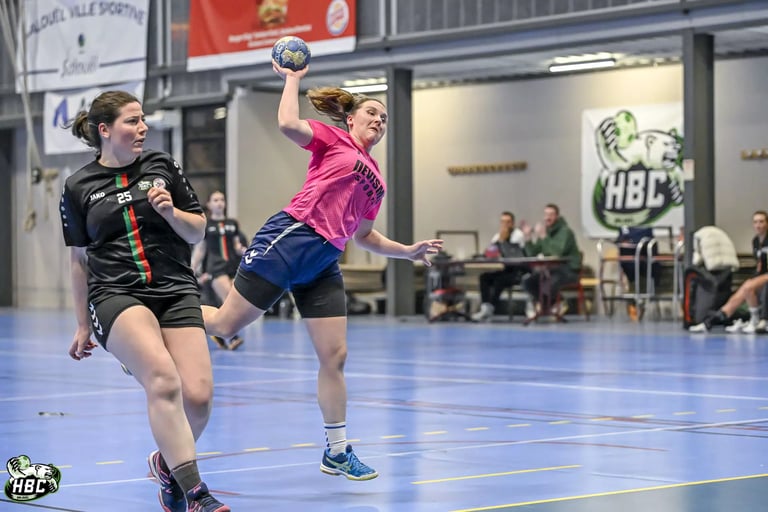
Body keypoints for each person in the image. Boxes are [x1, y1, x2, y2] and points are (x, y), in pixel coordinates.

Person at [203, 60, 443, 481]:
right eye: (372, 112)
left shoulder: (377, 181)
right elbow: (287, 124)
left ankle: (337, 450)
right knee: (225, 324)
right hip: (291, 239)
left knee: (335, 356)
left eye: (384, 117)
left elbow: (364, 236)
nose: (379, 120)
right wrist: (293, 79)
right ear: (351, 119)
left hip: (324, 260)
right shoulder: (333, 140)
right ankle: (158, 321)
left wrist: (407, 252)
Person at [59, 91, 229, 512]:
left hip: (175, 289)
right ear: (105, 130)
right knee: (164, 380)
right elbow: (79, 260)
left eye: (143, 120)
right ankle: (196, 494)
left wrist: (172, 213)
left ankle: (167, 466)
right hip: (116, 294)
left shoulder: (162, 165)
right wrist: (82, 324)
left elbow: (197, 230)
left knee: (198, 397)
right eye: (132, 121)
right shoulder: (78, 186)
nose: (143, 128)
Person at [691, 210, 768, 333]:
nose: (758, 225)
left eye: (761, 222)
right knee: (739, 294)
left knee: (748, 287)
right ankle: (709, 322)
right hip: (762, 276)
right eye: (755, 222)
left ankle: (758, 320)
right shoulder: (755, 241)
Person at [191, 191, 246, 350]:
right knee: (228, 298)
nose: (219, 203)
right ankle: (232, 337)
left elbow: (236, 245)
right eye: (215, 200)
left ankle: (218, 334)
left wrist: (243, 251)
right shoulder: (206, 225)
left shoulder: (232, 223)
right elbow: (201, 249)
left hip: (232, 267)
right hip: (215, 268)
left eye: (222, 199)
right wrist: (192, 268)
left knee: (233, 303)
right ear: (209, 204)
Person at [520, 203, 581, 317]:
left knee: (548, 282)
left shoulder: (566, 232)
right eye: (546, 214)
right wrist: (528, 238)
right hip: (551, 270)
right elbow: (532, 253)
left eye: (551, 215)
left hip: (569, 270)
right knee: (528, 282)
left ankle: (551, 305)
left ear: (557, 216)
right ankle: (553, 304)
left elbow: (557, 253)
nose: (547, 218)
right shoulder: (545, 232)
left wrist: (544, 237)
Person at [471, 211, 526, 321]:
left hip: (518, 271)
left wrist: (502, 241)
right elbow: (490, 253)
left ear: (512, 223)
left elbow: (511, 254)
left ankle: (491, 308)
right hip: (505, 269)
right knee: (484, 277)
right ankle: (485, 307)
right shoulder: (498, 236)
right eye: (502, 222)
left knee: (499, 281)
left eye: (507, 222)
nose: (505, 225)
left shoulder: (518, 235)